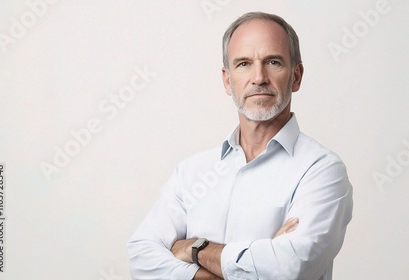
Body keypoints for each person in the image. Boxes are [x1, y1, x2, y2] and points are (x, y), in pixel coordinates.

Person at [127, 11, 353, 280]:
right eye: (244, 64)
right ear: (227, 79)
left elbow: (289, 269)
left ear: (296, 76)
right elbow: (141, 259)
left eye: (273, 62)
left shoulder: (322, 171)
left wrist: (194, 249)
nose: (259, 77)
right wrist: (256, 261)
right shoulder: (191, 173)